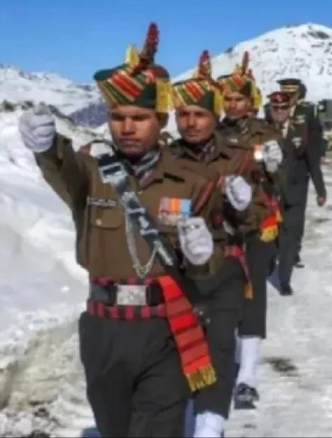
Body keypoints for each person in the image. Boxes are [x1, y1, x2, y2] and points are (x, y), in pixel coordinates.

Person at [20, 23, 221, 437]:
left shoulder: (192, 180)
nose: (127, 127)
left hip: (165, 327)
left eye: (139, 117)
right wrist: (46, 146)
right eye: (117, 117)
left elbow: (209, 262)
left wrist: (204, 256)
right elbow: (63, 165)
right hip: (104, 327)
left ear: (160, 119)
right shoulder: (92, 173)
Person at [216, 52, 284, 410]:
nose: (232, 105)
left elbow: (280, 180)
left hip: (257, 224)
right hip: (222, 224)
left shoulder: (266, 132)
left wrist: (274, 166)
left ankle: (247, 376)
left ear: (250, 101)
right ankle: (222, 359)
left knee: (253, 293)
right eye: (227, 98)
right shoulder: (213, 131)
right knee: (221, 293)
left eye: (238, 99)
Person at [270, 86, 327, 295]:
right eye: (275, 107)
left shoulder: (300, 129)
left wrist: (320, 190)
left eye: (283, 107)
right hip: (270, 192)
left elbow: (312, 161)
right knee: (271, 233)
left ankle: (284, 279)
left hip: (295, 190)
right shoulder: (262, 131)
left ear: (289, 109)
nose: (279, 111)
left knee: (289, 234)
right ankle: (271, 259)